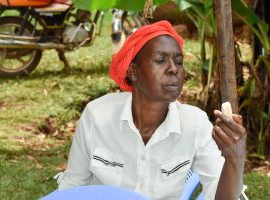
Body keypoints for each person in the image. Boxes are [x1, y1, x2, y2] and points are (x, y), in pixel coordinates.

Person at [57, 20, 247, 200]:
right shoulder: (97, 116)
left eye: (179, 61)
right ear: (133, 72)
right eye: (160, 60)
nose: (174, 69)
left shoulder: (194, 123)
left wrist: (234, 158)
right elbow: (73, 185)